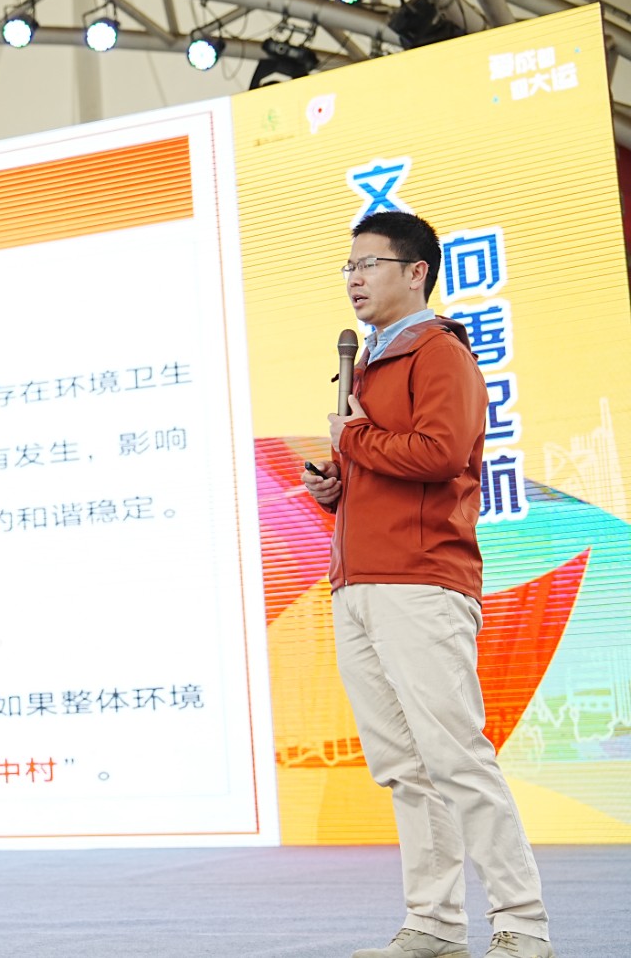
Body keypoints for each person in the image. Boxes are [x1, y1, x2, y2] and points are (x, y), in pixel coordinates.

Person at [301, 210, 555, 958]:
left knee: (455, 758)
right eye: (348, 266)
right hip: (358, 581)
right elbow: (381, 466)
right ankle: (435, 925)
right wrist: (334, 486)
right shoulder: (368, 362)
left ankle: (522, 924)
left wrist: (355, 437)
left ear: (416, 272)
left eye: (369, 264)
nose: (354, 278)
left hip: (419, 580)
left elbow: (442, 453)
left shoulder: (438, 353)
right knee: (403, 768)